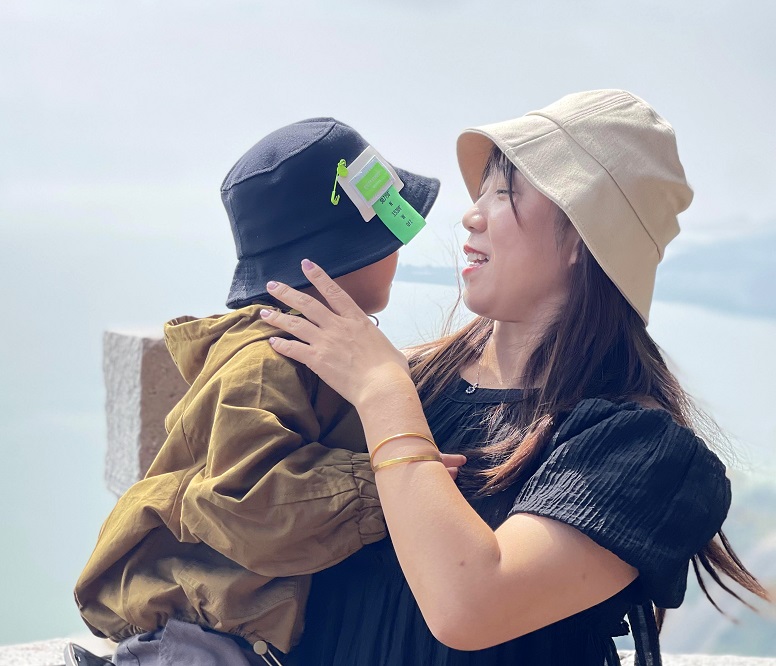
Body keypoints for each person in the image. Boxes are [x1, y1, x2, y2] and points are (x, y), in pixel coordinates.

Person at [260, 90, 770, 666]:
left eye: (503, 193)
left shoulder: (639, 449)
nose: (470, 215)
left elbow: (470, 605)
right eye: (480, 193)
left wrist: (381, 392)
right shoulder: (411, 383)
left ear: (583, 234)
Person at [73, 117, 449, 665]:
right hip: (198, 636)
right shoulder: (267, 363)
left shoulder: (317, 352)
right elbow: (244, 498)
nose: (398, 251)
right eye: (387, 237)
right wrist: (392, 485)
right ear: (338, 259)